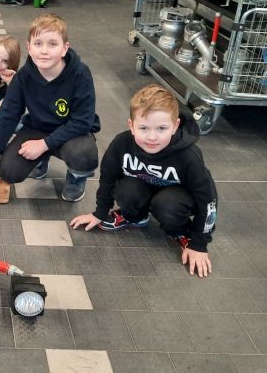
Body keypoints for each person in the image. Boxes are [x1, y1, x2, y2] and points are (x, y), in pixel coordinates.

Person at [70, 84, 218, 278]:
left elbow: (207, 200)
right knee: (126, 190)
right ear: (131, 125)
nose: (152, 137)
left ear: (175, 126)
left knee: (168, 204)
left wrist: (199, 243)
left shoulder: (189, 156)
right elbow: (107, 180)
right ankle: (135, 217)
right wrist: (100, 213)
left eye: (162, 128)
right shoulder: (121, 144)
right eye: (143, 128)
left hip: (176, 198)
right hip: (142, 187)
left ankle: (181, 231)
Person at [0, 14, 99, 202]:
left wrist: (43, 145)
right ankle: (41, 160)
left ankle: (77, 178)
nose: (44, 51)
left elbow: (82, 122)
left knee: (84, 154)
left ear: (64, 48)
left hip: (72, 131)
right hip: (38, 128)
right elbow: (7, 117)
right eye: (38, 44)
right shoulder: (23, 77)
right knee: (8, 171)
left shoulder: (80, 74)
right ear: (29, 48)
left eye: (52, 44)